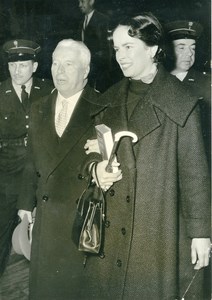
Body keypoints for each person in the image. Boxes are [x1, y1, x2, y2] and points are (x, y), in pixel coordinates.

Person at [83, 13, 211, 299]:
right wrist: (96, 170)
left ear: (152, 49)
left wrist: (201, 234)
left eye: (129, 47)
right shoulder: (109, 99)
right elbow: (88, 155)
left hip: (155, 230)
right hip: (111, 231)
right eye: (116, 48)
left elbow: (195, 175)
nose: (120, 56)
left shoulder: (180, 102)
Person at [17, 39, 102, 299]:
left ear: (85, 71)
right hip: (45, 220)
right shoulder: (39, 106)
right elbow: (32, 160)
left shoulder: (102, 107)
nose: (59, 71)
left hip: (81, 223)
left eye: (68, 64)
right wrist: (24, 205)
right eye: (55, 63)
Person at [0, 39, 53, 276]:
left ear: (34, 66)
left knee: (48, 233)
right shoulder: (1, 94)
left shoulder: (50, 90)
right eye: (13, 65)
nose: (17, 70)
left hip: (42, 170)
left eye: (23, 65)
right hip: (8, 173)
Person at [165, 20, 211, 165]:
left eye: (193, 48)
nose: (189, 54)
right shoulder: (156, 81)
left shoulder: (206, 83)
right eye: (181, 47)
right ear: (169, 51)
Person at [77, 0, 111, 92]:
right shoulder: (82, 21)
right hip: (86, 67)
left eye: (82, 1)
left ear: (91, 1)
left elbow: (105, 49)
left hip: (98, 70)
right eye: (79, 2)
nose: (79, 5)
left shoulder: (103, 20)